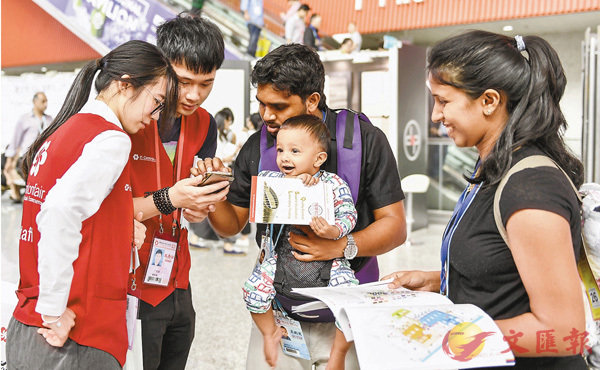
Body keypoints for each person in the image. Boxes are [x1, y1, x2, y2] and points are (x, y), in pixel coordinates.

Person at [384, 30, 587, 369]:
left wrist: (449, 334)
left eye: (444, 101)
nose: (435, 116)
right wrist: (439, 280)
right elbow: (506, 272)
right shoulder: (494, 168)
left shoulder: (530, 189)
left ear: (490, 101)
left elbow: (563, 327)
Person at [198, 43, 406, 369]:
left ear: (312, 100)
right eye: (262, 104)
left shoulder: (364, 140)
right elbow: (230, 225)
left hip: (344, 317)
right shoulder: (259, 145)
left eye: (278, 106)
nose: (266, 115)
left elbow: (395, 226)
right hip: (280, 316)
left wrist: (338, 246)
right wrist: (211, 197)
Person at [6, 40, 176, 369]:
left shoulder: (61, 133)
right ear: (125, 85)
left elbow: (56, 216)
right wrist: (55, 310)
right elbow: (58, 213)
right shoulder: (110, 139)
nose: (154, 118)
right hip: (74, 336)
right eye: (155, 103)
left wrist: (119, 228)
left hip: (28, 327)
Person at [128, 15, 228, 370]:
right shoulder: (129, 120)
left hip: (176, 275)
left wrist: (201, 204)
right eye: (184, 81)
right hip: (126, 279)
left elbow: (195, 209)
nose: (194, 95)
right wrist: (171, 198)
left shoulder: (205, 124)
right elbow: (103, 210)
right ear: (161, 67)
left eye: (206, 83)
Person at [242, 114, 359, 368]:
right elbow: (261, 198)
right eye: (281, 149)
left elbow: (350, 215)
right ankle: (269, 332)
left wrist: (332, 230)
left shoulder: (333, 184)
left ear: (318, 159)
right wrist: (291, 186)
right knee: (253, 290)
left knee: (349, 299)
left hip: (329, 262)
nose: (285, 157)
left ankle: (338, 353)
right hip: (281, 257)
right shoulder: (273, 180)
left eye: (295, 151)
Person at [3, 92, 52, 203]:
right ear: (35, 102)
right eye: (43, 101)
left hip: (44, 157)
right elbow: (16, 140)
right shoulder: (25, 119)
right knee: (30, 183)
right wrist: (9, 161)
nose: (46, 104)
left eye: (46, 101)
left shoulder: (49, 120)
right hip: (27, 157)